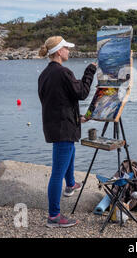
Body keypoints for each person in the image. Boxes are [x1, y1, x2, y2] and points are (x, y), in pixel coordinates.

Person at [38, 36, 97, 228]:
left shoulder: (44, 74)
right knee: (57, 173)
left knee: (69, 152)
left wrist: (75, 117)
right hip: (62, 128)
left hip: (56, 126)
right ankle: (53, 216)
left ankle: (71, 184)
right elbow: (81, 93)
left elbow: (55, 102)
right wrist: (90, 71)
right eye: (66, 48)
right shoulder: (64, 72)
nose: (69, 51)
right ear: (58, 52)